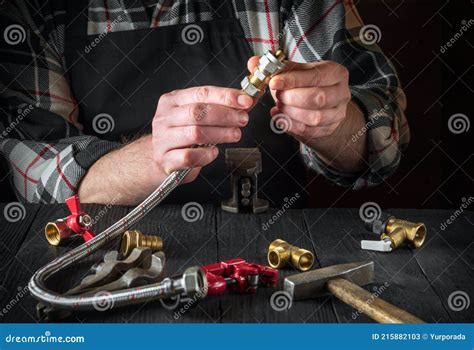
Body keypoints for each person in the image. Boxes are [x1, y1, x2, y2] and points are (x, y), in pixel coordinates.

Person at [0, 0, 409, 206]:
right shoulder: (35, 9)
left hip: (274, 251)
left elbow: (383, 147)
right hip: (107, 260)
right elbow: (33, 171)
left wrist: (335, 125)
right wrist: (154, 161)